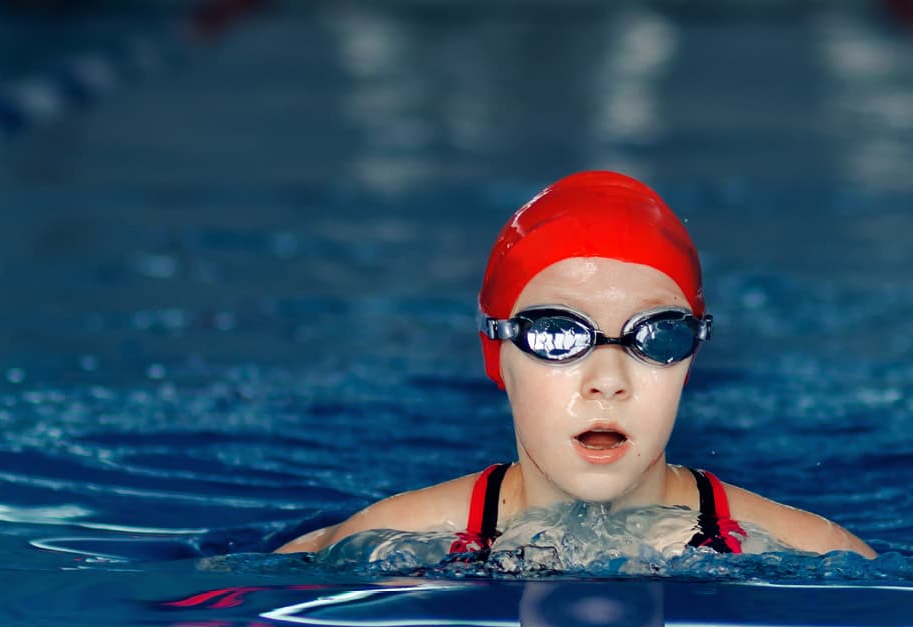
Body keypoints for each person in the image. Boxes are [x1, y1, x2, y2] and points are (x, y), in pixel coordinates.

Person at [278, 171, 874, 559]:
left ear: (690, 359)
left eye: (657, 336)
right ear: (498, 354)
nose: (608, 381)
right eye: (559, 334)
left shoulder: (813, 552)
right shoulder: (383, 544)